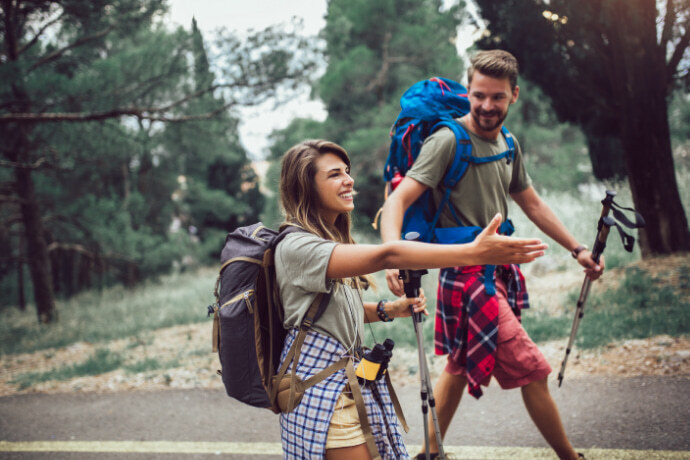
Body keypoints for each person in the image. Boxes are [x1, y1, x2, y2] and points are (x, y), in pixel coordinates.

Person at [380, 49, 603, 460]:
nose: (485, 105)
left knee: (460, 365)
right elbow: (399, 198)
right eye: (478, 95)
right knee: (532, 370)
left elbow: (532, 204)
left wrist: (578, 249)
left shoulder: (508, 144)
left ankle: (429, 453)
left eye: (496, 97)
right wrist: (393, 255)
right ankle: (571, 458)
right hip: (466, 278)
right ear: (468, 92)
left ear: (513, 96)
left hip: (497, 273)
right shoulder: (448, 140)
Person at [274, 139, 547, 460]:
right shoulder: (298, 247)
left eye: (347, 172)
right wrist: (473, 251)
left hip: (344, 387)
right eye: (334, 175)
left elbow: (328, 314)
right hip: (321, 394)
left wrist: (391, 310)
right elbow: (388, 254)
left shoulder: (326, 240)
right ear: (305, 187)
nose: (349, 180)